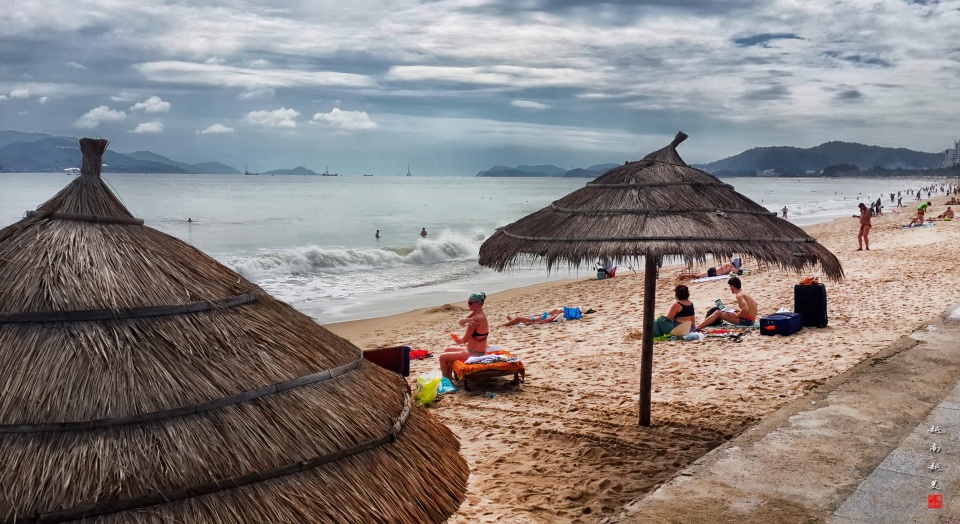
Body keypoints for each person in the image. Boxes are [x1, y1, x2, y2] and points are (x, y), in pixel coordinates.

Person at [439, 292, 489, 379]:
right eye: (468, 303)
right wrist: (467, 320)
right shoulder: (480, 314)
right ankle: (449, 378)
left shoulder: (475, 319)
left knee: (442, 357)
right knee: (447, 349)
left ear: (478, 303)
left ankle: (446, 381)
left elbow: (464, 340)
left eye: (470, 303)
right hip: (478, 351)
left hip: (474, 353)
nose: (468, 306)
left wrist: (458, 340)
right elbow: (460, 322)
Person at [678, 258, 743, 280]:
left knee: (698, 275)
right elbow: (736, 271)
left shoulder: (729, 264)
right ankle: (683, 275)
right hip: (713, 272)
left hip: (713, 271)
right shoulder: (730, 266)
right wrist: (741, 272)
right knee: (697, 276)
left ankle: (684, 274)